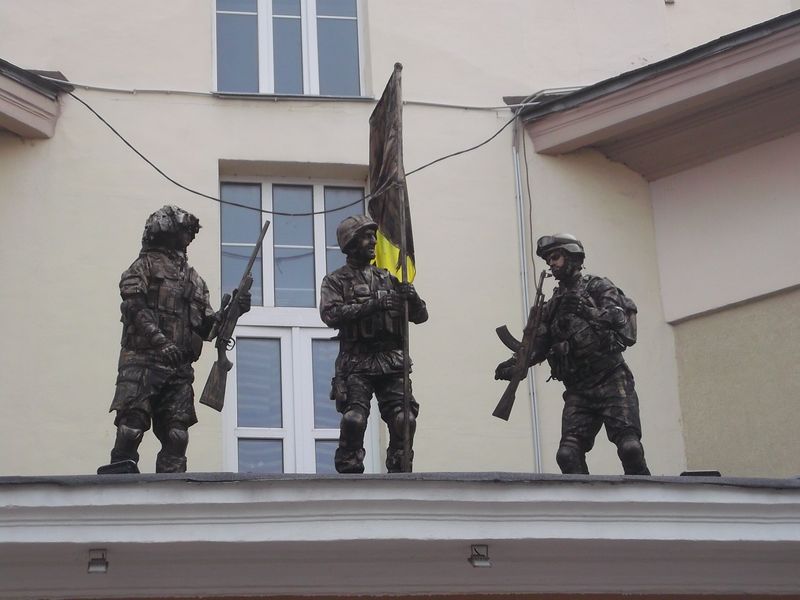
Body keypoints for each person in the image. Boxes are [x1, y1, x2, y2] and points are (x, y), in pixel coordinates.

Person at [99, 205, 250, 474]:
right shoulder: (143, 266)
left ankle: (173, 490)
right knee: (131, 428)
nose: (188, 237)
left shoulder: (195, 280)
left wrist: (234, 311)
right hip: (142, 362)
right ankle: (118, 485)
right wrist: (161, 341)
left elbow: (206, 329)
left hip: (179, 369)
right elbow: (134, 307)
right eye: (184, 231)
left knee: (177, 436)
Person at [495, 233, 650, 475]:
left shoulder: (598, 287)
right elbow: (538, 345)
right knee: (567, 454)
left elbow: (625, 330)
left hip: (611, 379)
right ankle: (585, 509)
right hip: (578, 389)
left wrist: (588, 312)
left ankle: (645, 502)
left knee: (630, 448)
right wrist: (516, 364)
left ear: (572, 257)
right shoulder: (551, 305)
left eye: (555, 257)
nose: (551, 264)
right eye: (548, 260)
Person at [320, 215, 428, 473]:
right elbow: (330, 315)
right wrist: (372, 305)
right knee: (354, 420)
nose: (373, 242)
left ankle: (401, 470)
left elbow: (421, 316)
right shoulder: (335, 281)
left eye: (374, 237)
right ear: (351, 243)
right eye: (367, 237)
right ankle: (349, 470)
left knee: (405, 420)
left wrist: (412, 298)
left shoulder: (388, 278)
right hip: (357, 362)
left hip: (392, 360)